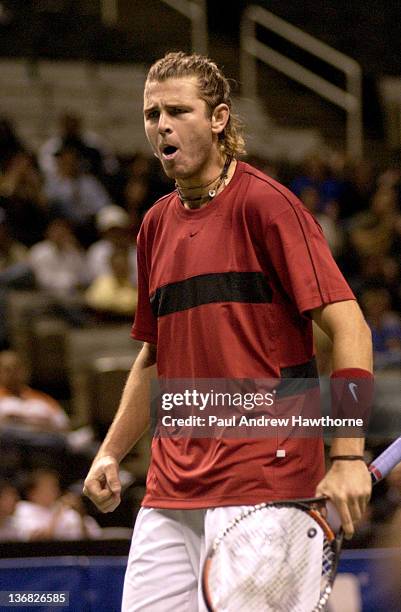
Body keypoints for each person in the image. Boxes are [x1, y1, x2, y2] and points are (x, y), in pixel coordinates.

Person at [84, 52, 373, 611]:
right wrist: (111, 452)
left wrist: (347, 456)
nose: (161, 126)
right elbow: (154, 357)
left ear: (218, 119)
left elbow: (351, 327)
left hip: (266, 483)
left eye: (177, 111)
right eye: (151, 114)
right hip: (171, 488)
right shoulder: (154, 225)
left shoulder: (269, 207)